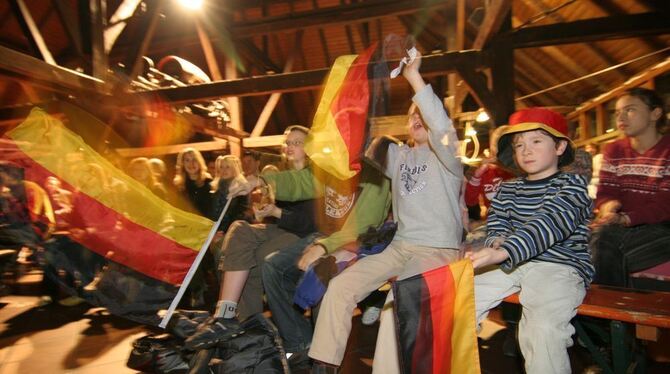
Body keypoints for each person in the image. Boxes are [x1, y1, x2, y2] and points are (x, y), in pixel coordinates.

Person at [308, 50, 464, 373]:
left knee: (397, 303)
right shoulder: (399, 156)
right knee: (339, 288)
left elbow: (441, 124)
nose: (418, 117)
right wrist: (357, 89)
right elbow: (358, 138)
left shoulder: (448, 158)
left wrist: (413, 77)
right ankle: (323, 365)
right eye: (412, 115)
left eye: (423, 113)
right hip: (400, 247)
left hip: (438, 249)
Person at [466, 107, 593, 374]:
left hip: (559, 266)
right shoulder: (508, 188)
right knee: (460, 301)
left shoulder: (572, 186)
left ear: (559, 147)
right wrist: (496, 242)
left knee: (541, 330)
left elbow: (550, 222)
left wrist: (504, 251)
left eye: (536, 141)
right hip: (512, 261)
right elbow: (498, 221)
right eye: (519, 144)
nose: (526, 150)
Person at [184, 126, 319, 349]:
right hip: (284, 229)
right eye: (288, 142)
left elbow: (311, 223)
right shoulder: (284, 173)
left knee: (257, 257)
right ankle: (226, 314)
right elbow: (280, 213)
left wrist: (276, 212)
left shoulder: (315, 175)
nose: (290, 147)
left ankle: (250, 326)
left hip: (306, 235)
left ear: (310, 147)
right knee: (238, 229)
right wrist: (268, 212)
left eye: (297, 142)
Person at [591, 87, 670, 289]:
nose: (621, 117)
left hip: (663, 227)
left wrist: (625, 218)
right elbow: (606, 193)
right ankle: (614, 318)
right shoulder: (614, 149)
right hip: (623, 228)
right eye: (617, 113)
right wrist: (609, 206)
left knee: (601, 248)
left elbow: (665, 205)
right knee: (594, 244)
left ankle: (603, 318)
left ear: (655, 113)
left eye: (630, 110)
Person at [464, 125, 515, 219]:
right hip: (494, 224)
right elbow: (470, 201)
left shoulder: (520, 171)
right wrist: (476, 177)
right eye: (497, 145)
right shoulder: (486, 171)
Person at [173, 148, 212, 216]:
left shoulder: (208, 181)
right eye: (187, 160)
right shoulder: (178, 185)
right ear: (182, 164)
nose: (191, 163)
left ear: (200, 162)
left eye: (194, 160)